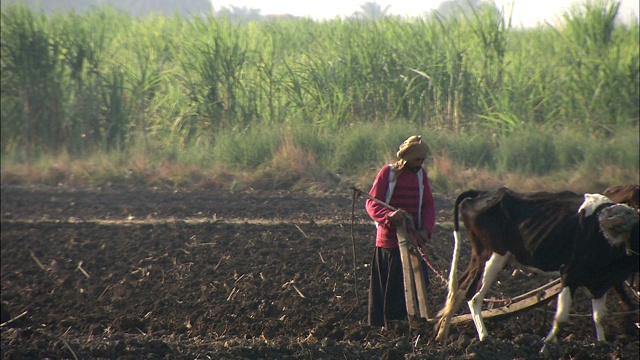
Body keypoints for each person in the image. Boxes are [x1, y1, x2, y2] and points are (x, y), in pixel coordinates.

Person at [365, 135, 436, 328]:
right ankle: (387, 327)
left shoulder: (421, 176)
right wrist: (389, 216)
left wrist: (426, 230)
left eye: (422, 160)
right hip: (389, 243)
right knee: (391, 289)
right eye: (417, 160)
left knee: (418, 286)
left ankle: (414, 322)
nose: (420, 164)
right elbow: (372, 203)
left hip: (413, 241)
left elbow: (428, 206)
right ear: (406, 158)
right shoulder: (387, 174)